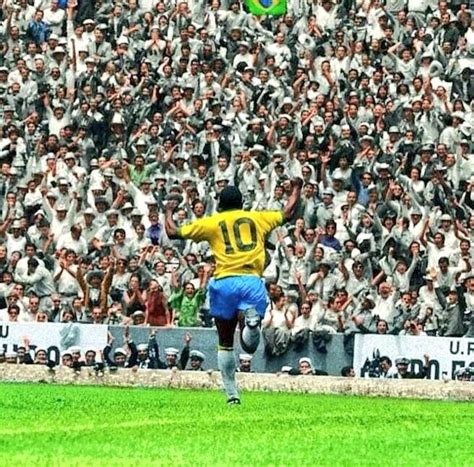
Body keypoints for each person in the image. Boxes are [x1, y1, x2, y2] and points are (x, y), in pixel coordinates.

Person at [165, 181, 301, 404]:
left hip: (224, 282)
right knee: (250, 345)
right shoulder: (258, 218)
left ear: (219, 204)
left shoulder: (212, 222)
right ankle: (252, 323)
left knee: (225, 341)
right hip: (251, 280)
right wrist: (296, 188)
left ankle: (232, 395)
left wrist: (169, 210)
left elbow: (172, 232)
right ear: (241, 203)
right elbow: (288, 212)